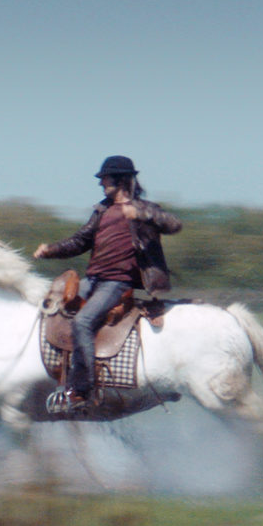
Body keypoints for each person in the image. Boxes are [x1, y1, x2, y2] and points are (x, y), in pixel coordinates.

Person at [33, 155, 182, 413]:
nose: (101, 183)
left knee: (83, 322)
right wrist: (51, 250)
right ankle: (57, 374)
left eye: (105, 178)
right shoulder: (102, 210)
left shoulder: (144, 208)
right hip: (93, 279)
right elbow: (80, 241)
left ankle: (82, 390)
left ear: (121, 180)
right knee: (53, 307)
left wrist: (142, 213)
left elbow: (173, 224)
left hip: (117, 283)